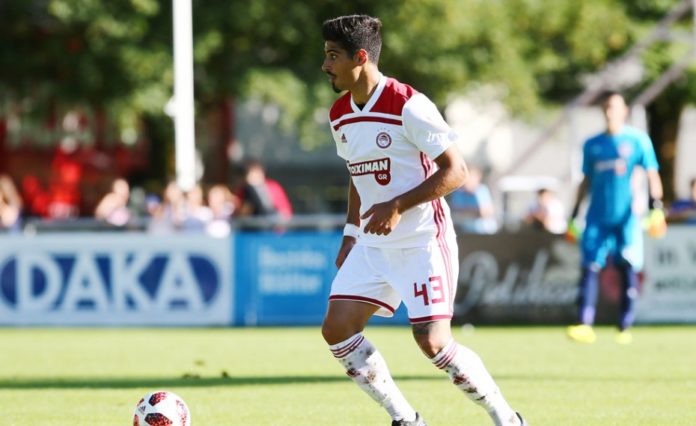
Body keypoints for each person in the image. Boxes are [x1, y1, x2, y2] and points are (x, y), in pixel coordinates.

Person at [320, 15, 526, 426]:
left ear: (360, 58)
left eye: (332, 56)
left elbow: (456, 172)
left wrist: (397, 206)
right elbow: (357, 173)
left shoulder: (409, 105)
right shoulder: (339, 113)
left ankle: (507, 418)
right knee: (337, 329)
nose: (326, 65)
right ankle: (406, 419)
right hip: (373, 243)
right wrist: (350, 231)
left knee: (433, 343)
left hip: (422, 241)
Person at [566, 91, 664, 345]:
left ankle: (624, 325)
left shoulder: (637, 140)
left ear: (624, 111)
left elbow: (652, 173)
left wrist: (656, 207)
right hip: (597, 216)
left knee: (626, 265)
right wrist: (574, 213)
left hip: (627, 216)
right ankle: (584, 323)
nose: (610, 112)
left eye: (615, 107)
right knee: (590, 265)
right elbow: (585, 180)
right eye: (606, 107)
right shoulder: (592, 144)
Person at [448, 166, 498, 234]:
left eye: (472, 177)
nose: (469, 180)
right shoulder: (458, 192)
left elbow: (487, 212)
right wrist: (476, 212)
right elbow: (456, 211)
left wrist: (468, 212)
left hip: (486, 232)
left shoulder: (482, 190)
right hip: (465, 232)